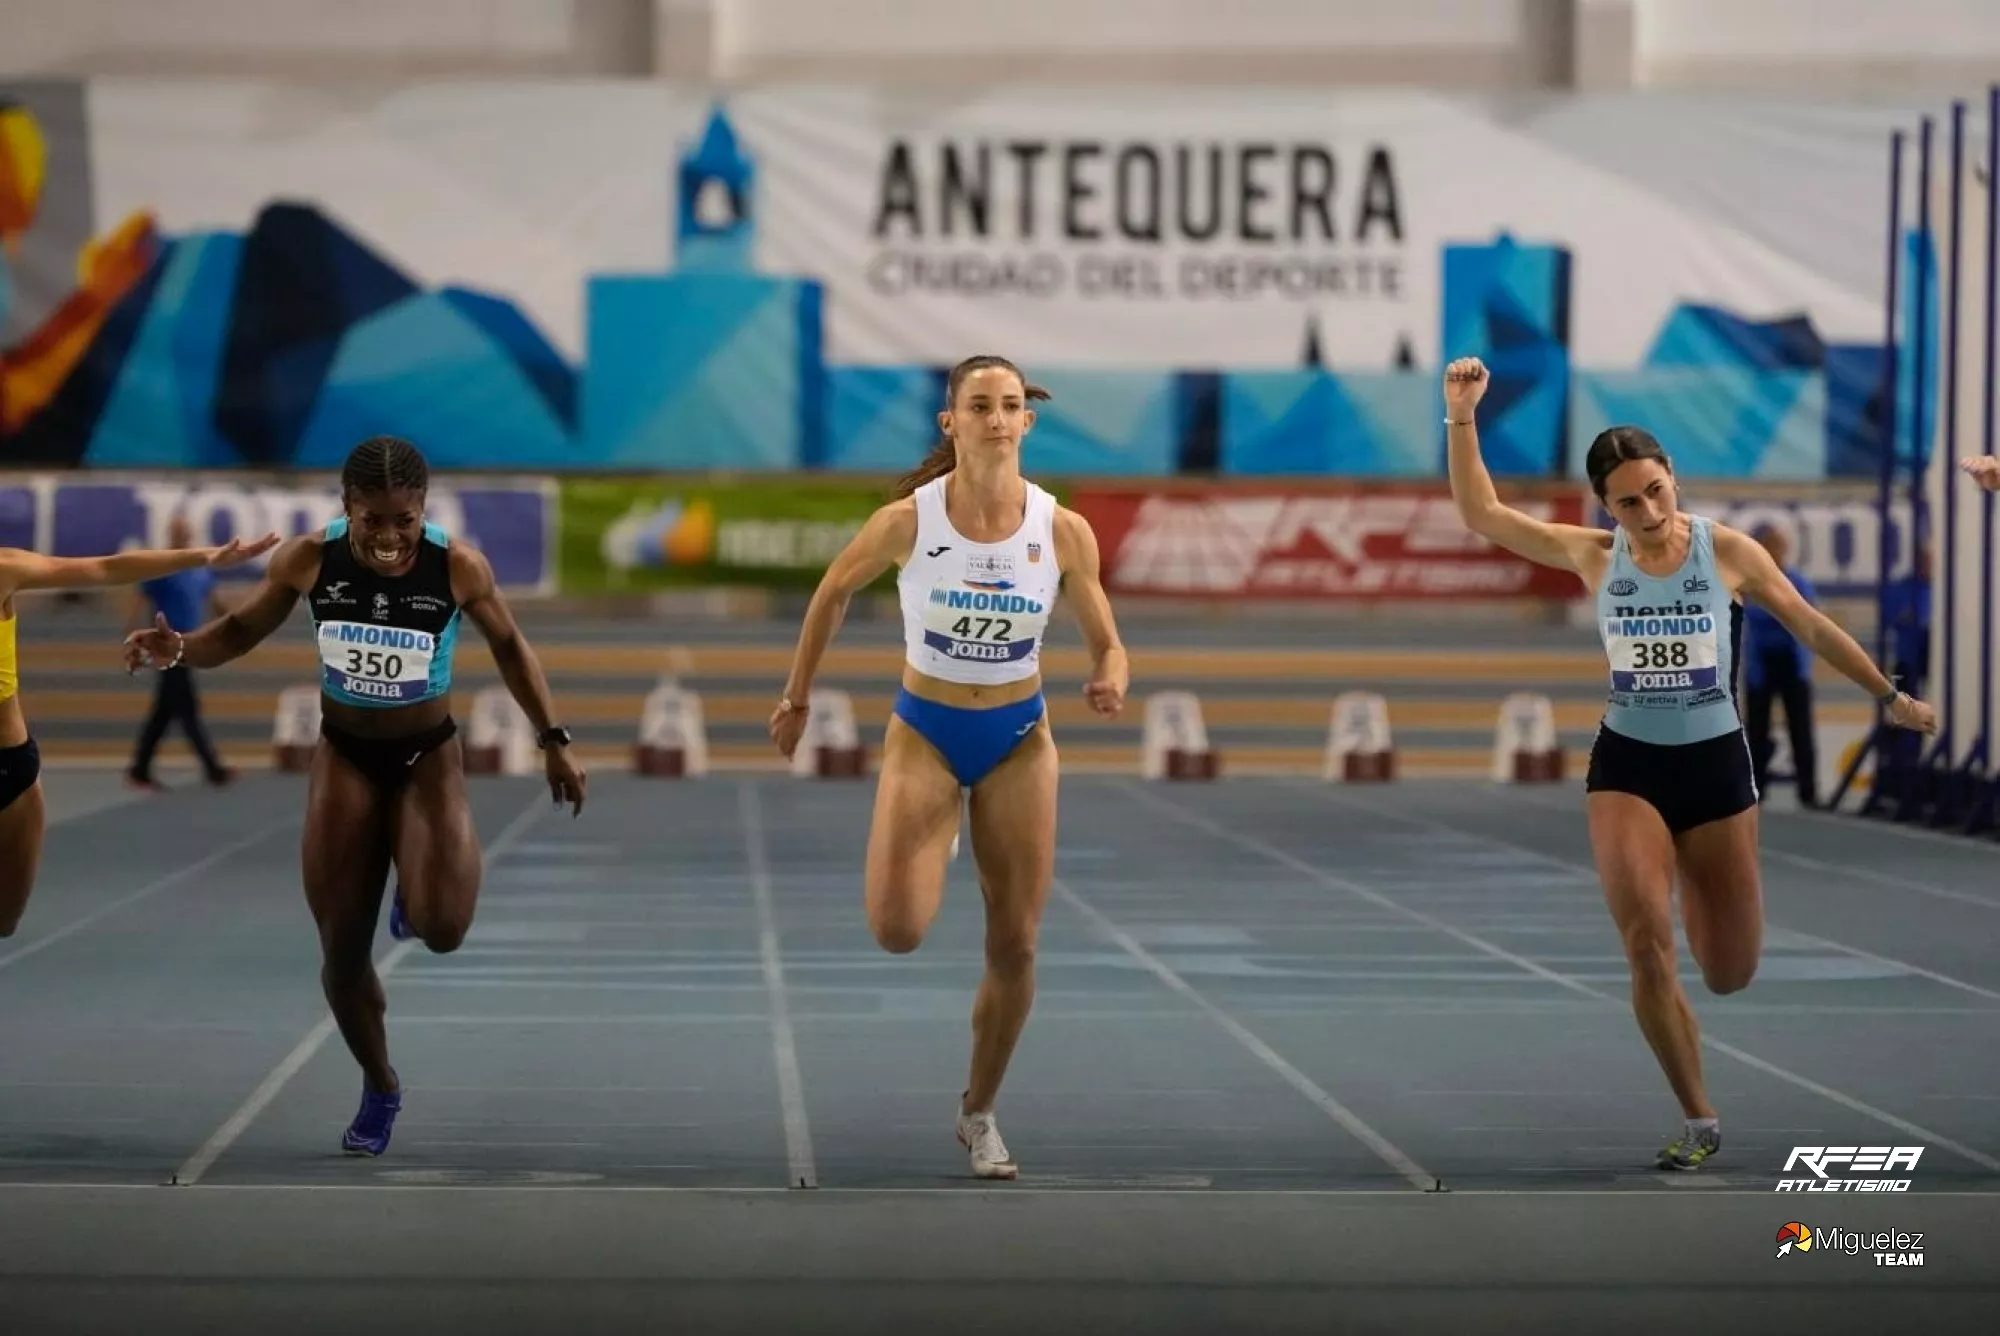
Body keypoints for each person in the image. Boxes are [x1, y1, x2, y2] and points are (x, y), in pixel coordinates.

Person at [1441, 355, 1935, 1172]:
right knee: (1645, 941)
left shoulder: (1727, 552)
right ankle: (1698, 1116)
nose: (1646, 509)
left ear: (1673, 477)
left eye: (1655, 490)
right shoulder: (1597, 557)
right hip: (1628, 763)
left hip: (1716, 771)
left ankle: (1706, 980)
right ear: (1605, 505)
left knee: (1729, 970)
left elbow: (1810, 626)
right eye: (1627, 501)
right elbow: (1483, 513)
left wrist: (1889, 697)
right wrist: (1462, 416)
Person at [123, 435, 587, 1158]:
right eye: (373, 519)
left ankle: (415, 885)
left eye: (406, 519)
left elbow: (510, 646)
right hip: (344, 756)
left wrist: (552, 737)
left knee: (442, 928)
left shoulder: (457, 566)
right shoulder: (309, 559)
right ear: (347, 509)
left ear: (423, 511)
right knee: (341, 955)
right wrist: (180, 648)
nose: (390, 537)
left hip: (427, 755)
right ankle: (380, 1082)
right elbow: (242, 628)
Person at [768, 353, 1130, 1180]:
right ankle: (942, 828)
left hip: (1018, 740)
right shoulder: (909, 521)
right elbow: (831, 592)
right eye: (980, 406)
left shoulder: (1061, 529)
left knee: (1019, 942)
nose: (997, 419)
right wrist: (796, 697)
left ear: (1027, 422)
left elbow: (1108, 637)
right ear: (951, 422)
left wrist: (1110, 672)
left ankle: (980, 1112)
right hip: (926, 732)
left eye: (1009, 405)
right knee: (897, 931)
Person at [0, 529, 280, 936]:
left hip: (12, 767)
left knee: (5, 921)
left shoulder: (5, 569)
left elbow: (106, 567)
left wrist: (207, 555)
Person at [126, 513, 234, 791]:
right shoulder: (162, 566)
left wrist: (236, 622)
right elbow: (140, 598)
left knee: (165, 711)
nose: (182, 535)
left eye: (185, 530)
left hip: (191, 643)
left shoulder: (200, 566)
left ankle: (140, 768)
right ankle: (212, 768)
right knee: (186, 708)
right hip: (167, 645)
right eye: (177, 531)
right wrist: (134, 637)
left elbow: (215, 599)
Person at [1741, 524, 1819, 807]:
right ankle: (1755, 788)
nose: (1773, 551)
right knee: (1757, 730)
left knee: (1801, 729)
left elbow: (1807, 617)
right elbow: (1754, 613)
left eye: (1777, 546)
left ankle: (1808, 791)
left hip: (1792, 663)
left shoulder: (1797, 580)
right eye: (1768, 546)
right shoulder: (1750, 582)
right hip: (1762, 665)